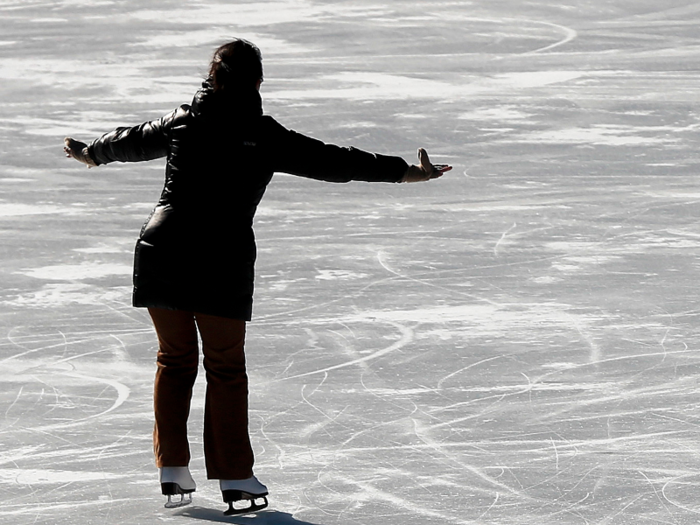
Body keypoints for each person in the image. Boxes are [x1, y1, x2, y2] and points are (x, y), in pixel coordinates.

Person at [63, 38, 451, 515]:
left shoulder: (183, 120)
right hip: (219, 259)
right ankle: (235, 477)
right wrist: (406, 172)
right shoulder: (263, 134)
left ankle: (173, 469)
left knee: (175, 358)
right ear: (258, 82)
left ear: (212, 77)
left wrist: (91, 153)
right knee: (224, 367)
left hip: (161, 249)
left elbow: (130, 140)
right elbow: (336, 161)